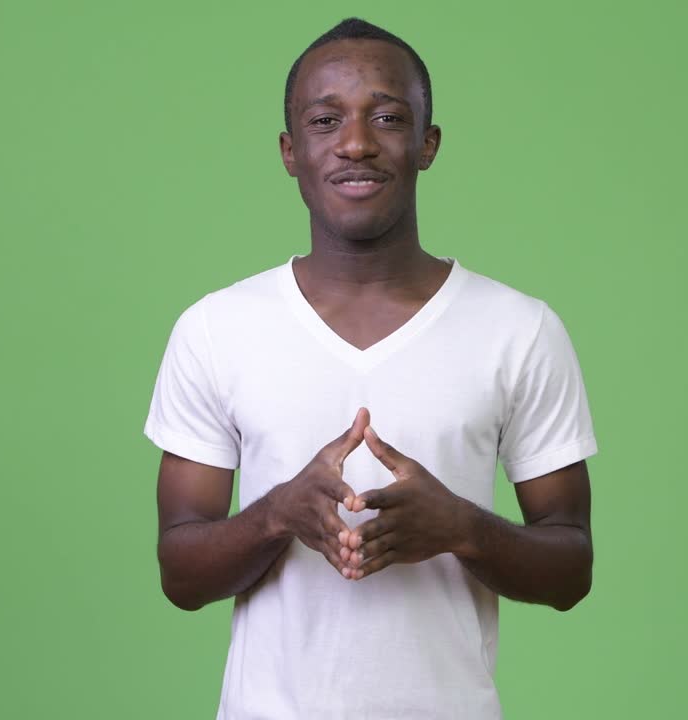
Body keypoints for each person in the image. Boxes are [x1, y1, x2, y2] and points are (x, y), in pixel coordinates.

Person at [143, 17, 598, 719]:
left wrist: (461, 528)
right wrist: (276, 516)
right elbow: (181, 571)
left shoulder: (519, 330)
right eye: (326, 120)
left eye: (387, 116)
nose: (356, 142)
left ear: (427, 143)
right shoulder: (216, 329)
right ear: (291, 151)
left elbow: (571, 567)